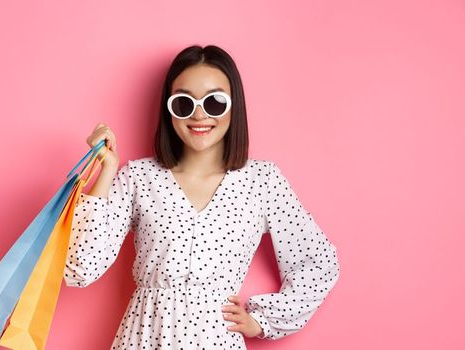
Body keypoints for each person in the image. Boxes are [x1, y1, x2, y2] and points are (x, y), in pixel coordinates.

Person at [64, 44, 340, 349]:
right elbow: (81, 269)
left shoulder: (262, 181)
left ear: (234, 106)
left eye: (215, 102)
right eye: (184, 103)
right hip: (144, 338)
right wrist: (106, 169)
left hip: (216, 340)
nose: (199, 114)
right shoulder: (138, 178)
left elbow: (319, 262)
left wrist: (264, 320)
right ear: (169, 109)